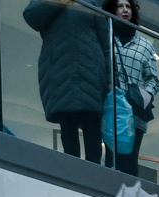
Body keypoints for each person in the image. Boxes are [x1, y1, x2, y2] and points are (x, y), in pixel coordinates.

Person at [23, 0, 112, 164]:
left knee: (92, 127)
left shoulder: (91, 1)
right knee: (68, 127)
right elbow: (31, 16)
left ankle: (94, 175)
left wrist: (110, 79)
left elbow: (105, 42)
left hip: (89, 72)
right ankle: (73, 172)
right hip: (61, 72)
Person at [107, 0, 158, 177]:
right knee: (111, 157)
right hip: (111, 109)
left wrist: (144, 96)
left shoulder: (145, 45)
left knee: (130, 161)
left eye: (128, 6)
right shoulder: (106, 37)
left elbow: (153, 80)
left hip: (135, 112)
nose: (125, 10)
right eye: (120, 6)